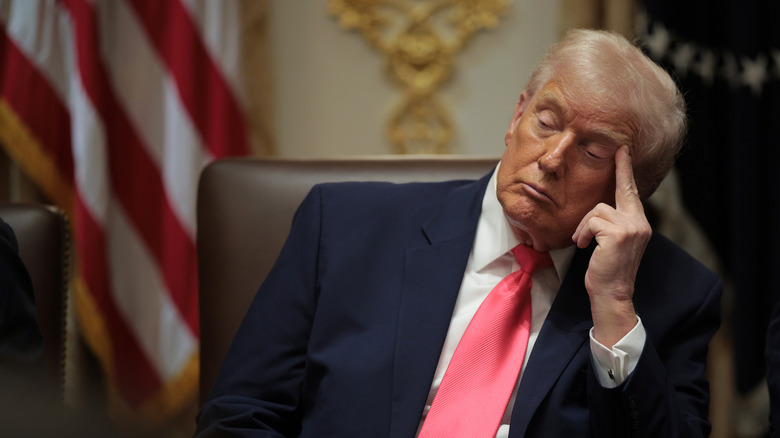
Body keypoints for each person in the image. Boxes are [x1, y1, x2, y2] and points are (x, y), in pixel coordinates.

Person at [195, 29, 722, 437]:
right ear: (517, 115)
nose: (551, 159)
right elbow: (241, 415)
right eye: (546, 121)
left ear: (636, 190)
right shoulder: (343, 227)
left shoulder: (672, 296)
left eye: (593, 151)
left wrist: (614, 307)